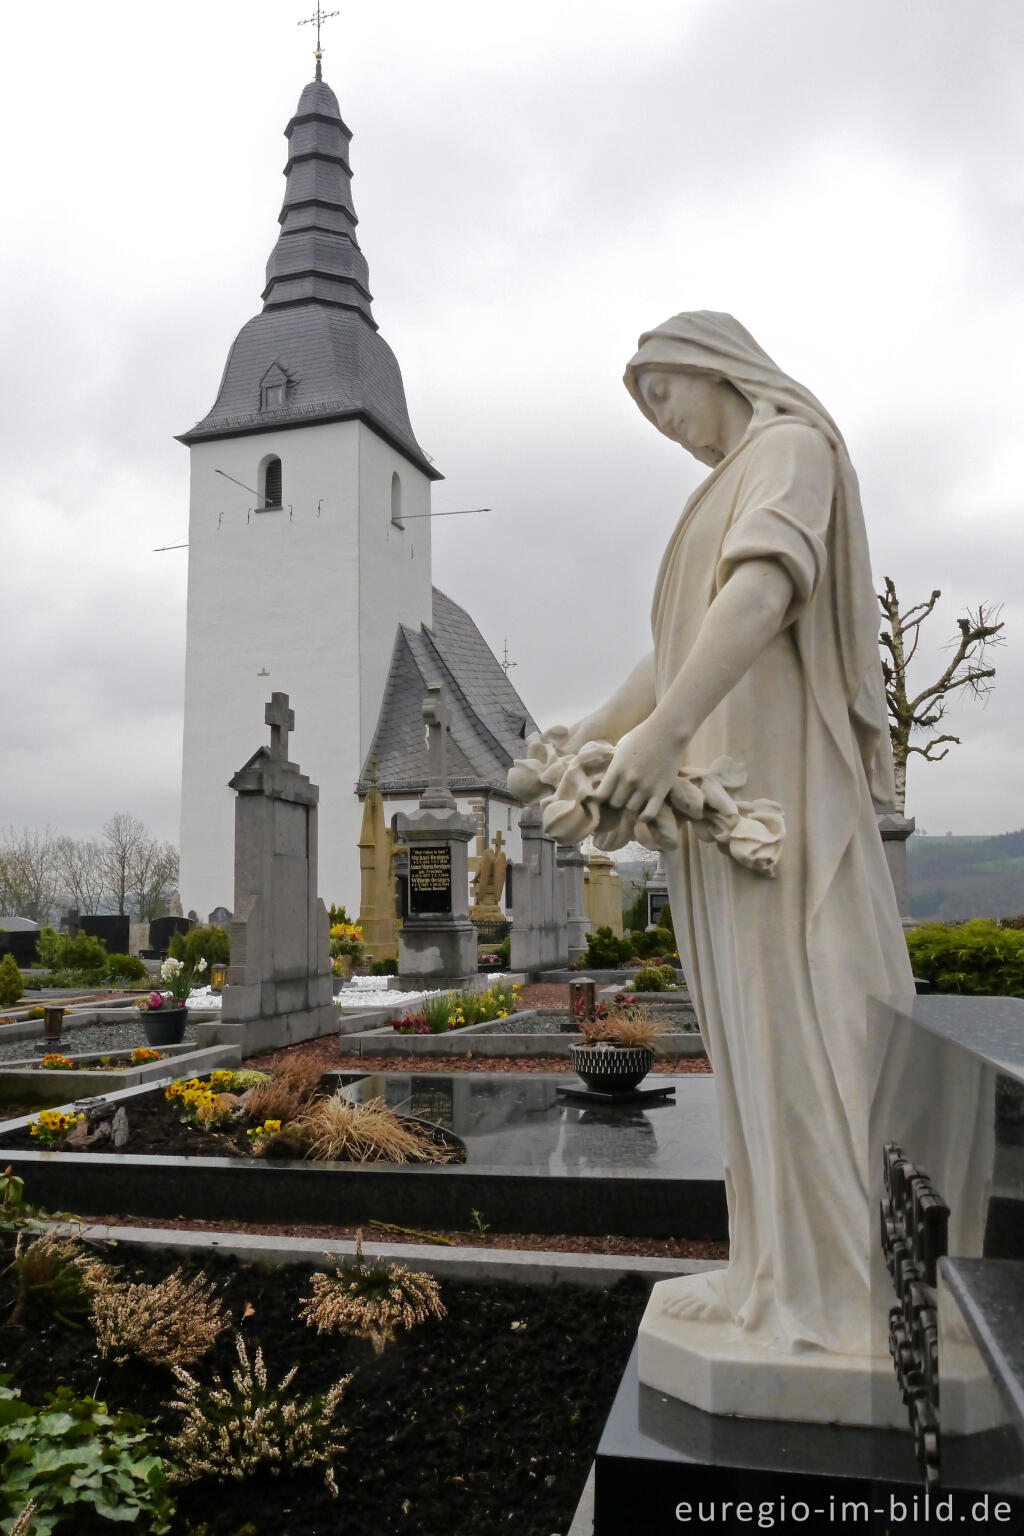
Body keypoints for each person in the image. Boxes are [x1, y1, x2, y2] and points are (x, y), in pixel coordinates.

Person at [563, 311, 915, 1356]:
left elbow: (761, 591)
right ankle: (770, 1267)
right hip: (716, 807)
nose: (662, 423)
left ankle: (835, 1288)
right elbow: (679, 644)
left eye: (662, 395)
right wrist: (596, 731)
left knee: (793, 1024)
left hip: (777, 796)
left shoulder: (791, 449)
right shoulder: (716, 487)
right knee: (749, 1040)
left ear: (712, 368)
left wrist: (665, 734)